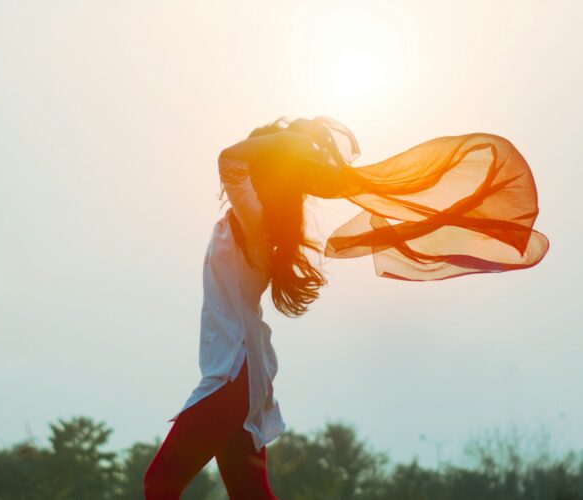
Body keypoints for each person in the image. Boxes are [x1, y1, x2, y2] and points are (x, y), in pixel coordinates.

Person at [142, 116, 548, 499]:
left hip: (234, 374)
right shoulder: (258, 221)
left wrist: (287, 144)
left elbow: (230, 159)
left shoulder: (256, 219)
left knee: (160, 483)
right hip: (239, 375)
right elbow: (238, 161)